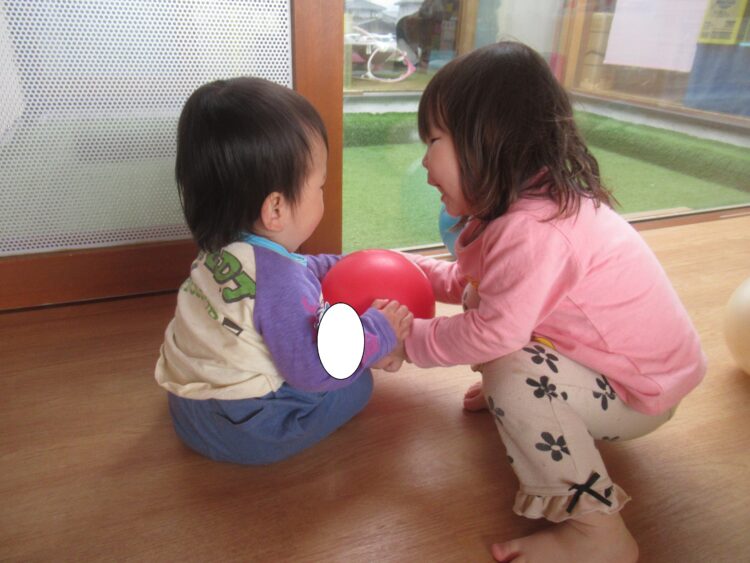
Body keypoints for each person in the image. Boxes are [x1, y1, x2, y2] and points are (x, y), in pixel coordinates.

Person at [387, 42, 707, 562]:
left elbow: (495, 332)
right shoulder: (518, 206)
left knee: (509, 365)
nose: (425, 159)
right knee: (492, 324)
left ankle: (598, 532)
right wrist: (406, 270)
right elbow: (472, 281)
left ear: (489, 138)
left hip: (636, 393)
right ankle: (543, 400)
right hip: (619, 371)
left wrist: (406, 340)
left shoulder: (533, 230)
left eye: (435, 140)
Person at [155, 77, 412, 465]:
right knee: (358, 386)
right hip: (246, 429)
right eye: (320, 187)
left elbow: (291, 271)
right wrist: (377, 333)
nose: (323, 194)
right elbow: (311, 370)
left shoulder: (222, 251)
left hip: (186, 406)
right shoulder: (281, 284)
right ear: (276, 209)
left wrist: (341, 265)